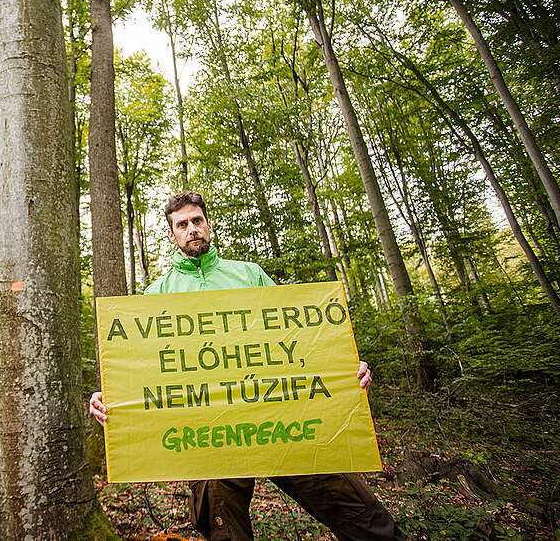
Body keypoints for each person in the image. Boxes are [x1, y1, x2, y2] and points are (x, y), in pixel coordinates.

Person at [89, 191, 405, 541]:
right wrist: (112, 397)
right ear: (171, 235)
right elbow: (145, 369)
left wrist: (345, 368)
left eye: (197, 221)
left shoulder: (250, 274)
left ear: (208, 225)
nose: (192, 229)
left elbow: (297, 337)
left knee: (363, 516)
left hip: (280, 420)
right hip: (208, 437)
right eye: (182, 224)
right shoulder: (156, 295)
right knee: (222, 524)